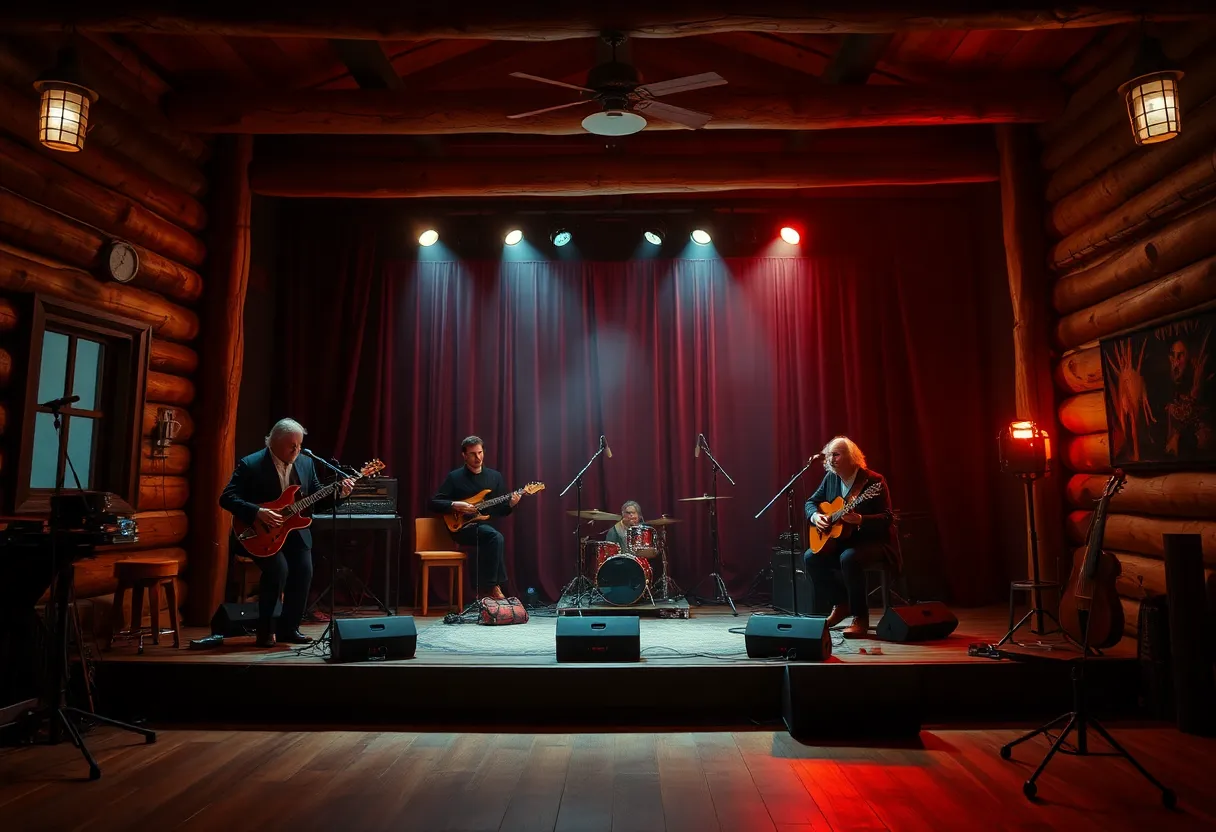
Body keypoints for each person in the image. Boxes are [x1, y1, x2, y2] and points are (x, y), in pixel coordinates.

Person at [220, 418, 355, 647]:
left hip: (293, 530)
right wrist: (258, 511)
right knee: (278, 570)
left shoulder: (304, 463)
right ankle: (265, 631)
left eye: (299, 445)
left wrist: (340, 494)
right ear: (273, 443)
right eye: (291, 445)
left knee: (304, 571)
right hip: (257, 533)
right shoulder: (251, 464)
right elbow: (227, 498)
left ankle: (289, 629)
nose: (297, 450)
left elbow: (315, 501)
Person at [803, 435, 898, 638]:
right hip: (842, 540)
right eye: (828, 455)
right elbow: (810, 502)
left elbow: (887, 518)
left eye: (835, 455)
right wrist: (815, 516)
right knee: (811, 557)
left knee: (849, 558)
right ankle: (841, 603)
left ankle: (860, 617)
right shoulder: (831, 477)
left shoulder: (873, 481)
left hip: (872, 541)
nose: (830, 459)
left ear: (851, 457)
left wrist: (861, 519)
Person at [430, 435, 521, 600]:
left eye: (480, 452)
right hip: (460, 528)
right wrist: (454, 505)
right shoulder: (454, 477)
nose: (478, 457)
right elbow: (434, 502)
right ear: (464, 455)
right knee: (494, 537)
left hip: (481, 525)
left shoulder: (495, 477)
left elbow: (499, 511)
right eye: (472, 454)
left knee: (494, 537)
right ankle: (493, 587)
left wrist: (511, 505)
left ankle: (490, 586)